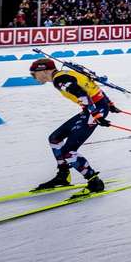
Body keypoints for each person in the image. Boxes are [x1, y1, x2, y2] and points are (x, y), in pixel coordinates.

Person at [29, 58, 115, 193]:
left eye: (33, 73)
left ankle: (94, 181)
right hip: (95, 108)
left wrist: (97, 115)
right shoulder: (64, 75)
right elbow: (91, 85)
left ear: (44, 71)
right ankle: (63, 176)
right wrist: (109, 104)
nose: (33, 77)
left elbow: (83, 94)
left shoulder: (60, 80)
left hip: (94, 110)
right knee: (55, 138)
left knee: (69, 151)